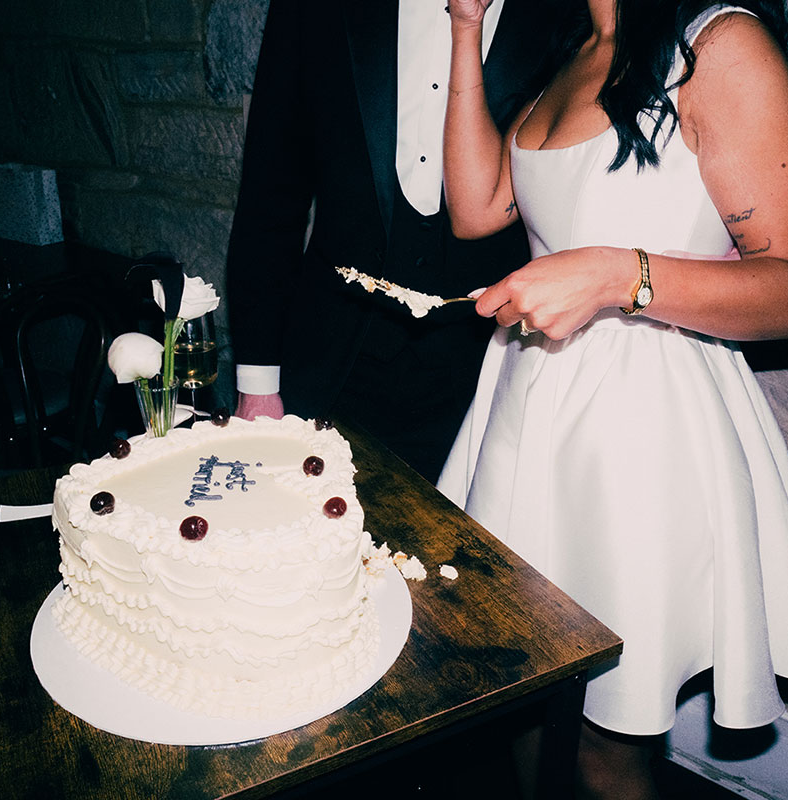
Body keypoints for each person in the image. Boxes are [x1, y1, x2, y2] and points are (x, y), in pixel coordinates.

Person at [438, 1, 788, 797]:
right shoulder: (570, 43)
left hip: (642, 430)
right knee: (520, 688)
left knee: (607, 742)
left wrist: (619, 275)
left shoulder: (720, 43)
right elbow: (474, 209)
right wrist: (463, 25)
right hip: (526, 407)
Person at [225, 0, 578, 483]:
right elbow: (272, 193)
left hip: (490, 380)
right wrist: (258, 383)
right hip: (331, 362)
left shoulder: (574, 14)